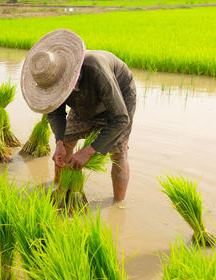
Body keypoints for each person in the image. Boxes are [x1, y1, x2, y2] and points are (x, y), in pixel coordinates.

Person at [20, 29, 136, 201]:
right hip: (82, 98)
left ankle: (117, 204)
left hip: (119, 98)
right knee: (66, 143)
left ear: (70, 78)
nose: (57, 92)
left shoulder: (96, 68)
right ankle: (61, 188)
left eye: (59, 89)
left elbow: (120, 119)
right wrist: (59, 142)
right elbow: (54, 112)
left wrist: (89, 151)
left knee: (118, 153)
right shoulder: (50, 80)